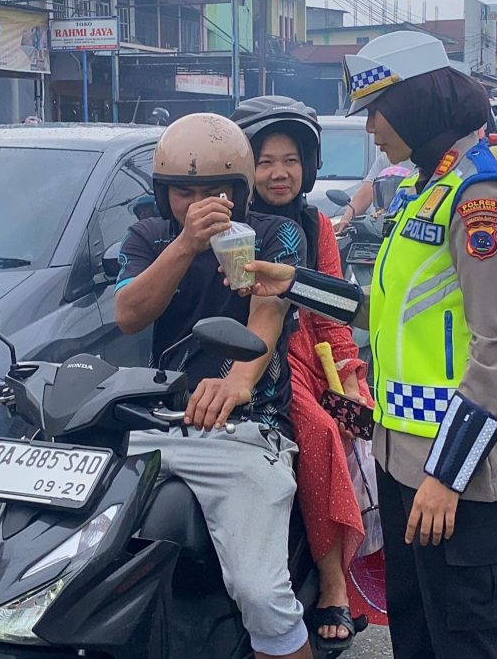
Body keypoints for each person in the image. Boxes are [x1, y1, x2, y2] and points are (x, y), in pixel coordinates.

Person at [227, 31, 497, 659]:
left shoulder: (478, 200)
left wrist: (446, 476)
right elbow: (382, 312)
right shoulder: (425, 192)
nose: (370, 128)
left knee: (469, 637)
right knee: (418, 631)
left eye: (377, 110)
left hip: (456, 470)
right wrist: (295, 282)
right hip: (402, 460)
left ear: (418, 104)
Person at [113, 112, 313, 659]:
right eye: (184, 192)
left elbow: (267, 314)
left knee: (262, 593)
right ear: (163, 193)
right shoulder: (148, 235)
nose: (199, 203)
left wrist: (238, 382)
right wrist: (183, 244)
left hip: (247, 428)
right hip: (160, 422)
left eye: (215, 191)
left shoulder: (273, 233)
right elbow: (128, 314)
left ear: (239, 192)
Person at [230, 96, 372, 651]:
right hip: (228, 355)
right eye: (264, 161)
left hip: (299, 360)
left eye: (289, 160)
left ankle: (332, 580)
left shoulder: (315, 227)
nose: (278, 173)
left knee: (316, 429)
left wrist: (352, 381)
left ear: (307, 165)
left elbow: (335, 318)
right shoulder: (227, 224)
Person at [335, 151, 390, 232]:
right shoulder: (386, 158)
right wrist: (346, 220)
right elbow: (366, 192)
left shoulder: (415, 166)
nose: (379, 144)